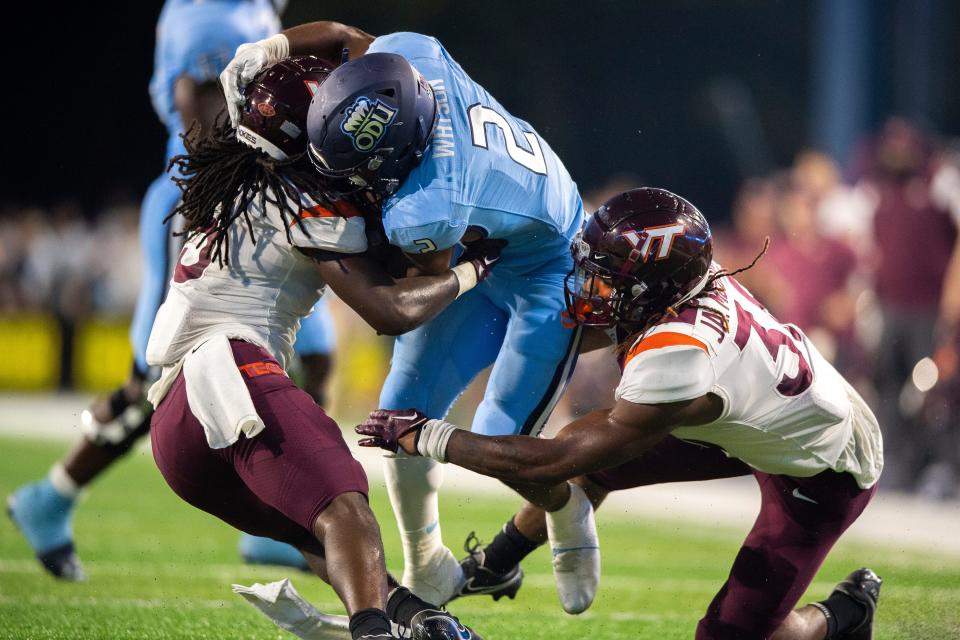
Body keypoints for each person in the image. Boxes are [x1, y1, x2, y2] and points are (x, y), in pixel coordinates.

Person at [358, 187, 885, 640]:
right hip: (749, 416)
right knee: (595, 456)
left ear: (652, 287)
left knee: (731, 634)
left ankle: (840, 617)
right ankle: (496, 563)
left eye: (606, 278)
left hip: (820, 463)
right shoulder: (680, 286)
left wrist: (429, 436)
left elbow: (551, 463)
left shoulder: (678, 352)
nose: (590, 286)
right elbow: (572, 354)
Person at [219, 22, 585, 606]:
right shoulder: (408, 56)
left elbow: (403, 302)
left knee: (501, 445)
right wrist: (272, 49)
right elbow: (343, 34)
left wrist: (461, 271)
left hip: (548, 266)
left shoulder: (425, 208)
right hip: (491, 237)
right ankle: (427, 563)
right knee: (401, 416)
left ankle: (570, 513)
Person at [148, 55, 494, 640]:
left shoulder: (236, 171)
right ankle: (374, 633)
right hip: (226, 372)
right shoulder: (302, 197)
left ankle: (413, 616)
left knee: (320, 532)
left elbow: (336, 42)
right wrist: (473, 271)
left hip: (174, 427)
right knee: (344, 508)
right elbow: (389, 311)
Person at [5, 0, 329, 581]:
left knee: (318, 354)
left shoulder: (251, 11)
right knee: (150, 376)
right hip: (210, 193)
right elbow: (192, 99)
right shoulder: (210, 13)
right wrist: (224, 169)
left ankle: (291, 513)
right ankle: (50, 497)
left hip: (262, 197)